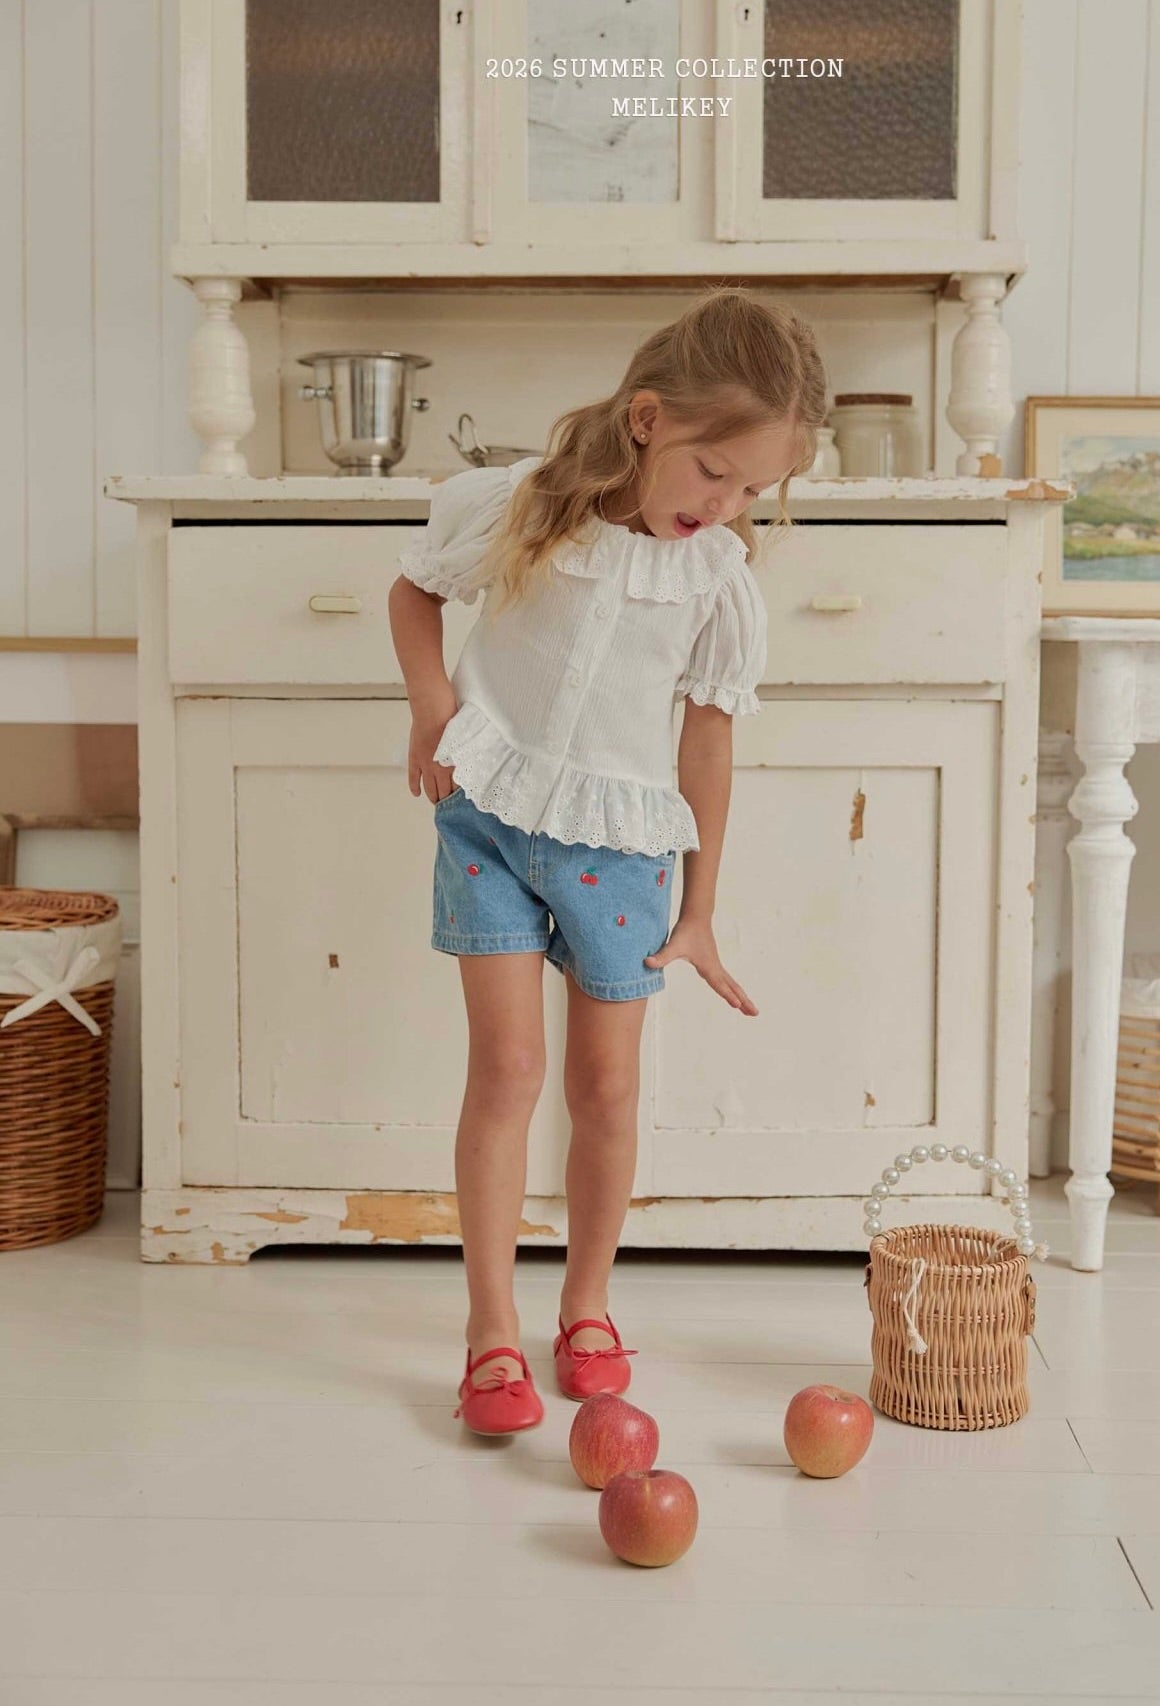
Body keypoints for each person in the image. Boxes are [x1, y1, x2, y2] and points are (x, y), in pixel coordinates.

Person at [387, 287, 828, 1435]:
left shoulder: (717, 579)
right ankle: (490, 1329)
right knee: (507, 1069)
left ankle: (584, 1303)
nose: (725, 504)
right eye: (712, 472)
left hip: (623, 849)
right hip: (487, 814)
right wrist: (432, 704)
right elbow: (416, 590)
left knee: (607, 1086)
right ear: (647, 420)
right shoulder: (525, 506)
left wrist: (701, 906)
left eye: (751, 490)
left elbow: (708, 736)